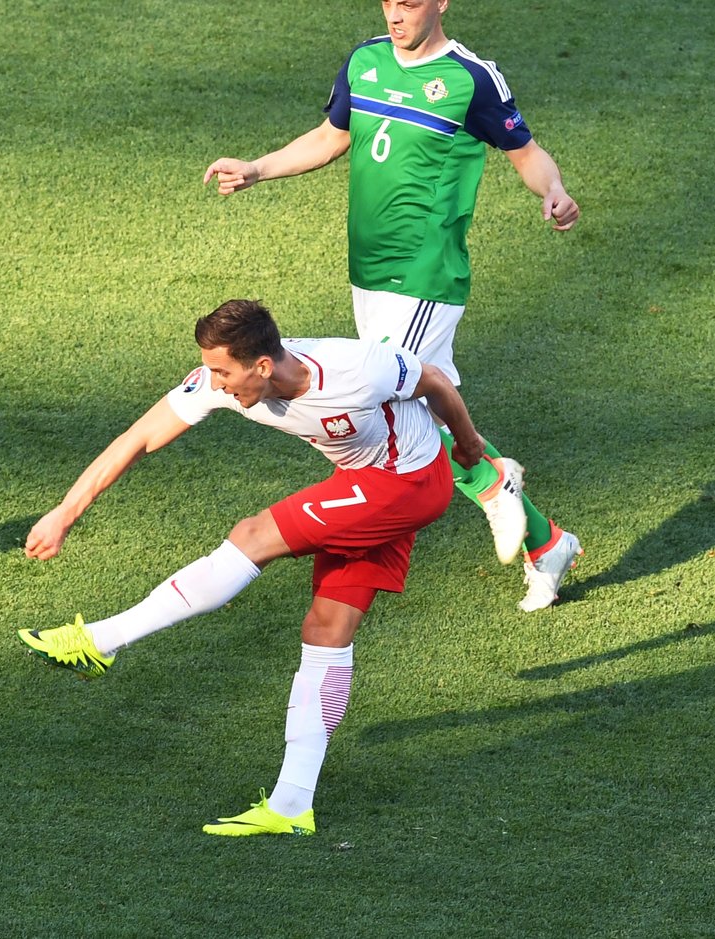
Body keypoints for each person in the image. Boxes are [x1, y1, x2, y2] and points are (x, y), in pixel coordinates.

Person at [20, 299, 484, 837]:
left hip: (406, 485)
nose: (214, 383)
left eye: (222, 371)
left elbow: (431, 380)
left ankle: (102, 640)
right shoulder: (221, 382)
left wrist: (469, 444)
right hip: (363, 486)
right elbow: (139, 437)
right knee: (326, 631)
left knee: (252, 535)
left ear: (262, 366)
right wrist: (65, 513)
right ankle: (292, 806)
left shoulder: (357, 368)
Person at [202, 0, 581, 612]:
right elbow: (331, 139)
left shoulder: (471, 78)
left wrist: (555, 191)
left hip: (426, 271)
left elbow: (526, 152)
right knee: (410, 407)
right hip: (369, 272)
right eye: (388, 0)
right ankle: (546, 542)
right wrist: (256, 168)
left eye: (408, 2)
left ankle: (492, 482)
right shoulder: (365, 60)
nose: (395, 13)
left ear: (440, 3)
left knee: (384, 396)